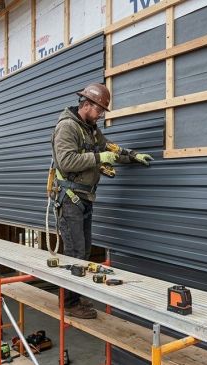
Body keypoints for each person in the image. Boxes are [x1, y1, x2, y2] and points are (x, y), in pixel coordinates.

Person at [50, 83, 153, 319]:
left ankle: (75, 294)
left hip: (85, 197)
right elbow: (66, 161)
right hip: (70, 199)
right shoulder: (67, 127)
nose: (101, 115)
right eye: (99, 110)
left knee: (84, 250)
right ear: (86, 105)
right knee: (74, 252)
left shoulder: (91, 129)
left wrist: (133, 156)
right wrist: (99, 157)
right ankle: (69, 303)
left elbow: (109, 148)